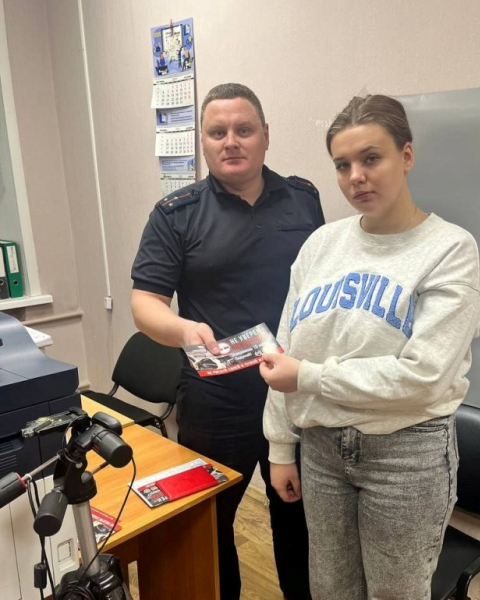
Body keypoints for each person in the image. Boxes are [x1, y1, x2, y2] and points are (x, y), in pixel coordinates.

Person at [261, 94, 480, 600]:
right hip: (321, 449)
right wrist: (280, 446)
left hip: (404, 455)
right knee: (330, 589)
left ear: (406, 155)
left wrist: (310, 377)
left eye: (371, 158)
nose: (356, 176)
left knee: (395, 594)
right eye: (343, 165)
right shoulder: (321, 245)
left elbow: (423, 375)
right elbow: (284, 351)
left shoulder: (450, 249)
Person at [131, 83, 324, 600]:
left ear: (266, 136)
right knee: (211, 525)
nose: (231, 141)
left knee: (300, 521)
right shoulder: (176, 213)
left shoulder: (303, 199)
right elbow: (145, 303)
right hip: (217, 399)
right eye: (217, 132)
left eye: (244, 130)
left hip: (293, 392)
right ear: (203, 141)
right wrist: (183, 330)